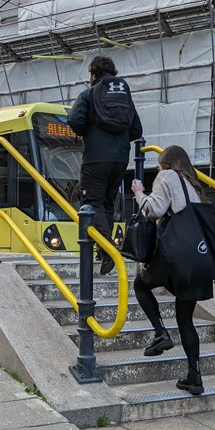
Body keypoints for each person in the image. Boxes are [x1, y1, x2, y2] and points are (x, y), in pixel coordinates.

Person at [130, 145, 213, 396]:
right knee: (185, 319)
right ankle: (194, 377)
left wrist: (139, 193)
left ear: (167, 163)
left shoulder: (166, 176)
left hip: (173, 254)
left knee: (141, 285)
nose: (157, 167)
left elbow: (153, 210)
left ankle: (160, 333)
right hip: (197, 256)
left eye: (159, 163)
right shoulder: (193, 183)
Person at [68, 55, 143, 276]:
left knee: (92, 204)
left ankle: (109, 250)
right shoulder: (124, 97)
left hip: (95, 159)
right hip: (120, 159)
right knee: (107, 205)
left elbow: (74, 121)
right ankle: (103, 250)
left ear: (93, 74)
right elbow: (137, 130)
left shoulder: (89, 94)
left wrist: (88, 132)